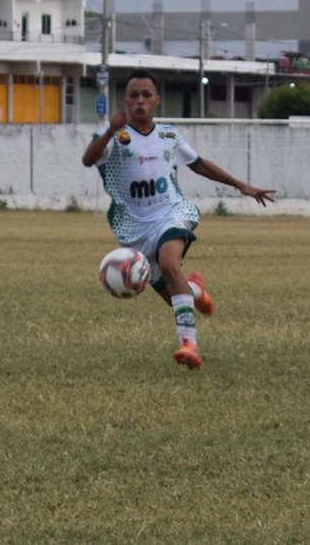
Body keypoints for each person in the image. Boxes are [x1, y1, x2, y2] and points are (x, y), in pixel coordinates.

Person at [82, 68, 276, 370]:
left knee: (170, 264)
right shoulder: (114, 136)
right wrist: (109, 131)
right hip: (134, 226)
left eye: (146, 95)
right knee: (172, 292)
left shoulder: (169, 135)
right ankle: (195, 289)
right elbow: (88, 159)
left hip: (172, 211)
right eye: (133, 95)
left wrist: (241, 185)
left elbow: (198, 164)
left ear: (157, 99)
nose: (140, 101)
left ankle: (190, 346)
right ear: (125, 100)